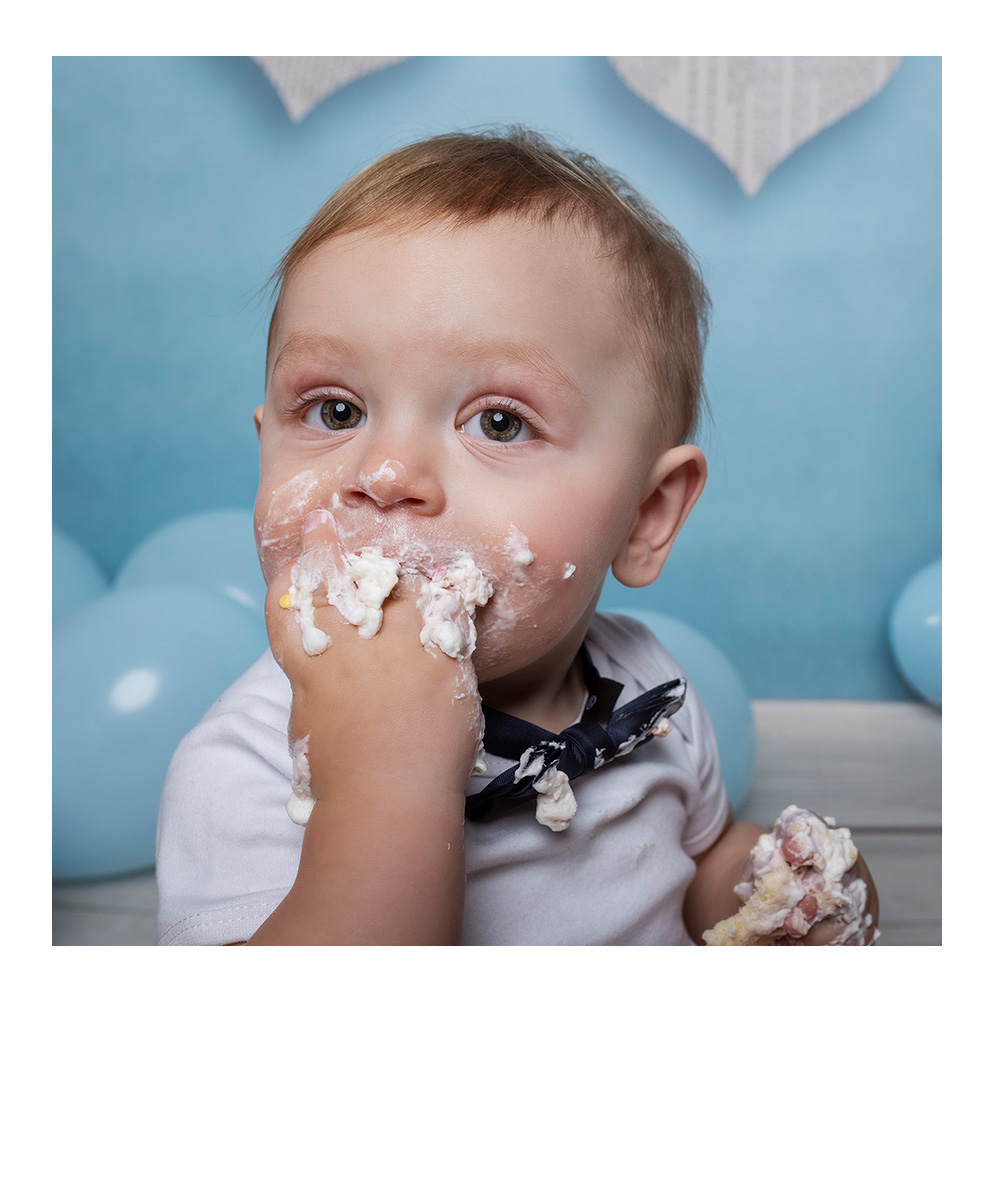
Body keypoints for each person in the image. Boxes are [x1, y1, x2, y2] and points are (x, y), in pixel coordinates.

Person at [156, 127, 878, 946]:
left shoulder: (647, 688)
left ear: (646, 516)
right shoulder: (239, 769)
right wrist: (384, 780)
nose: (385, 472)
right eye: (336, 411)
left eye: (498, 423)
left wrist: (767, 890)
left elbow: (689, 858)